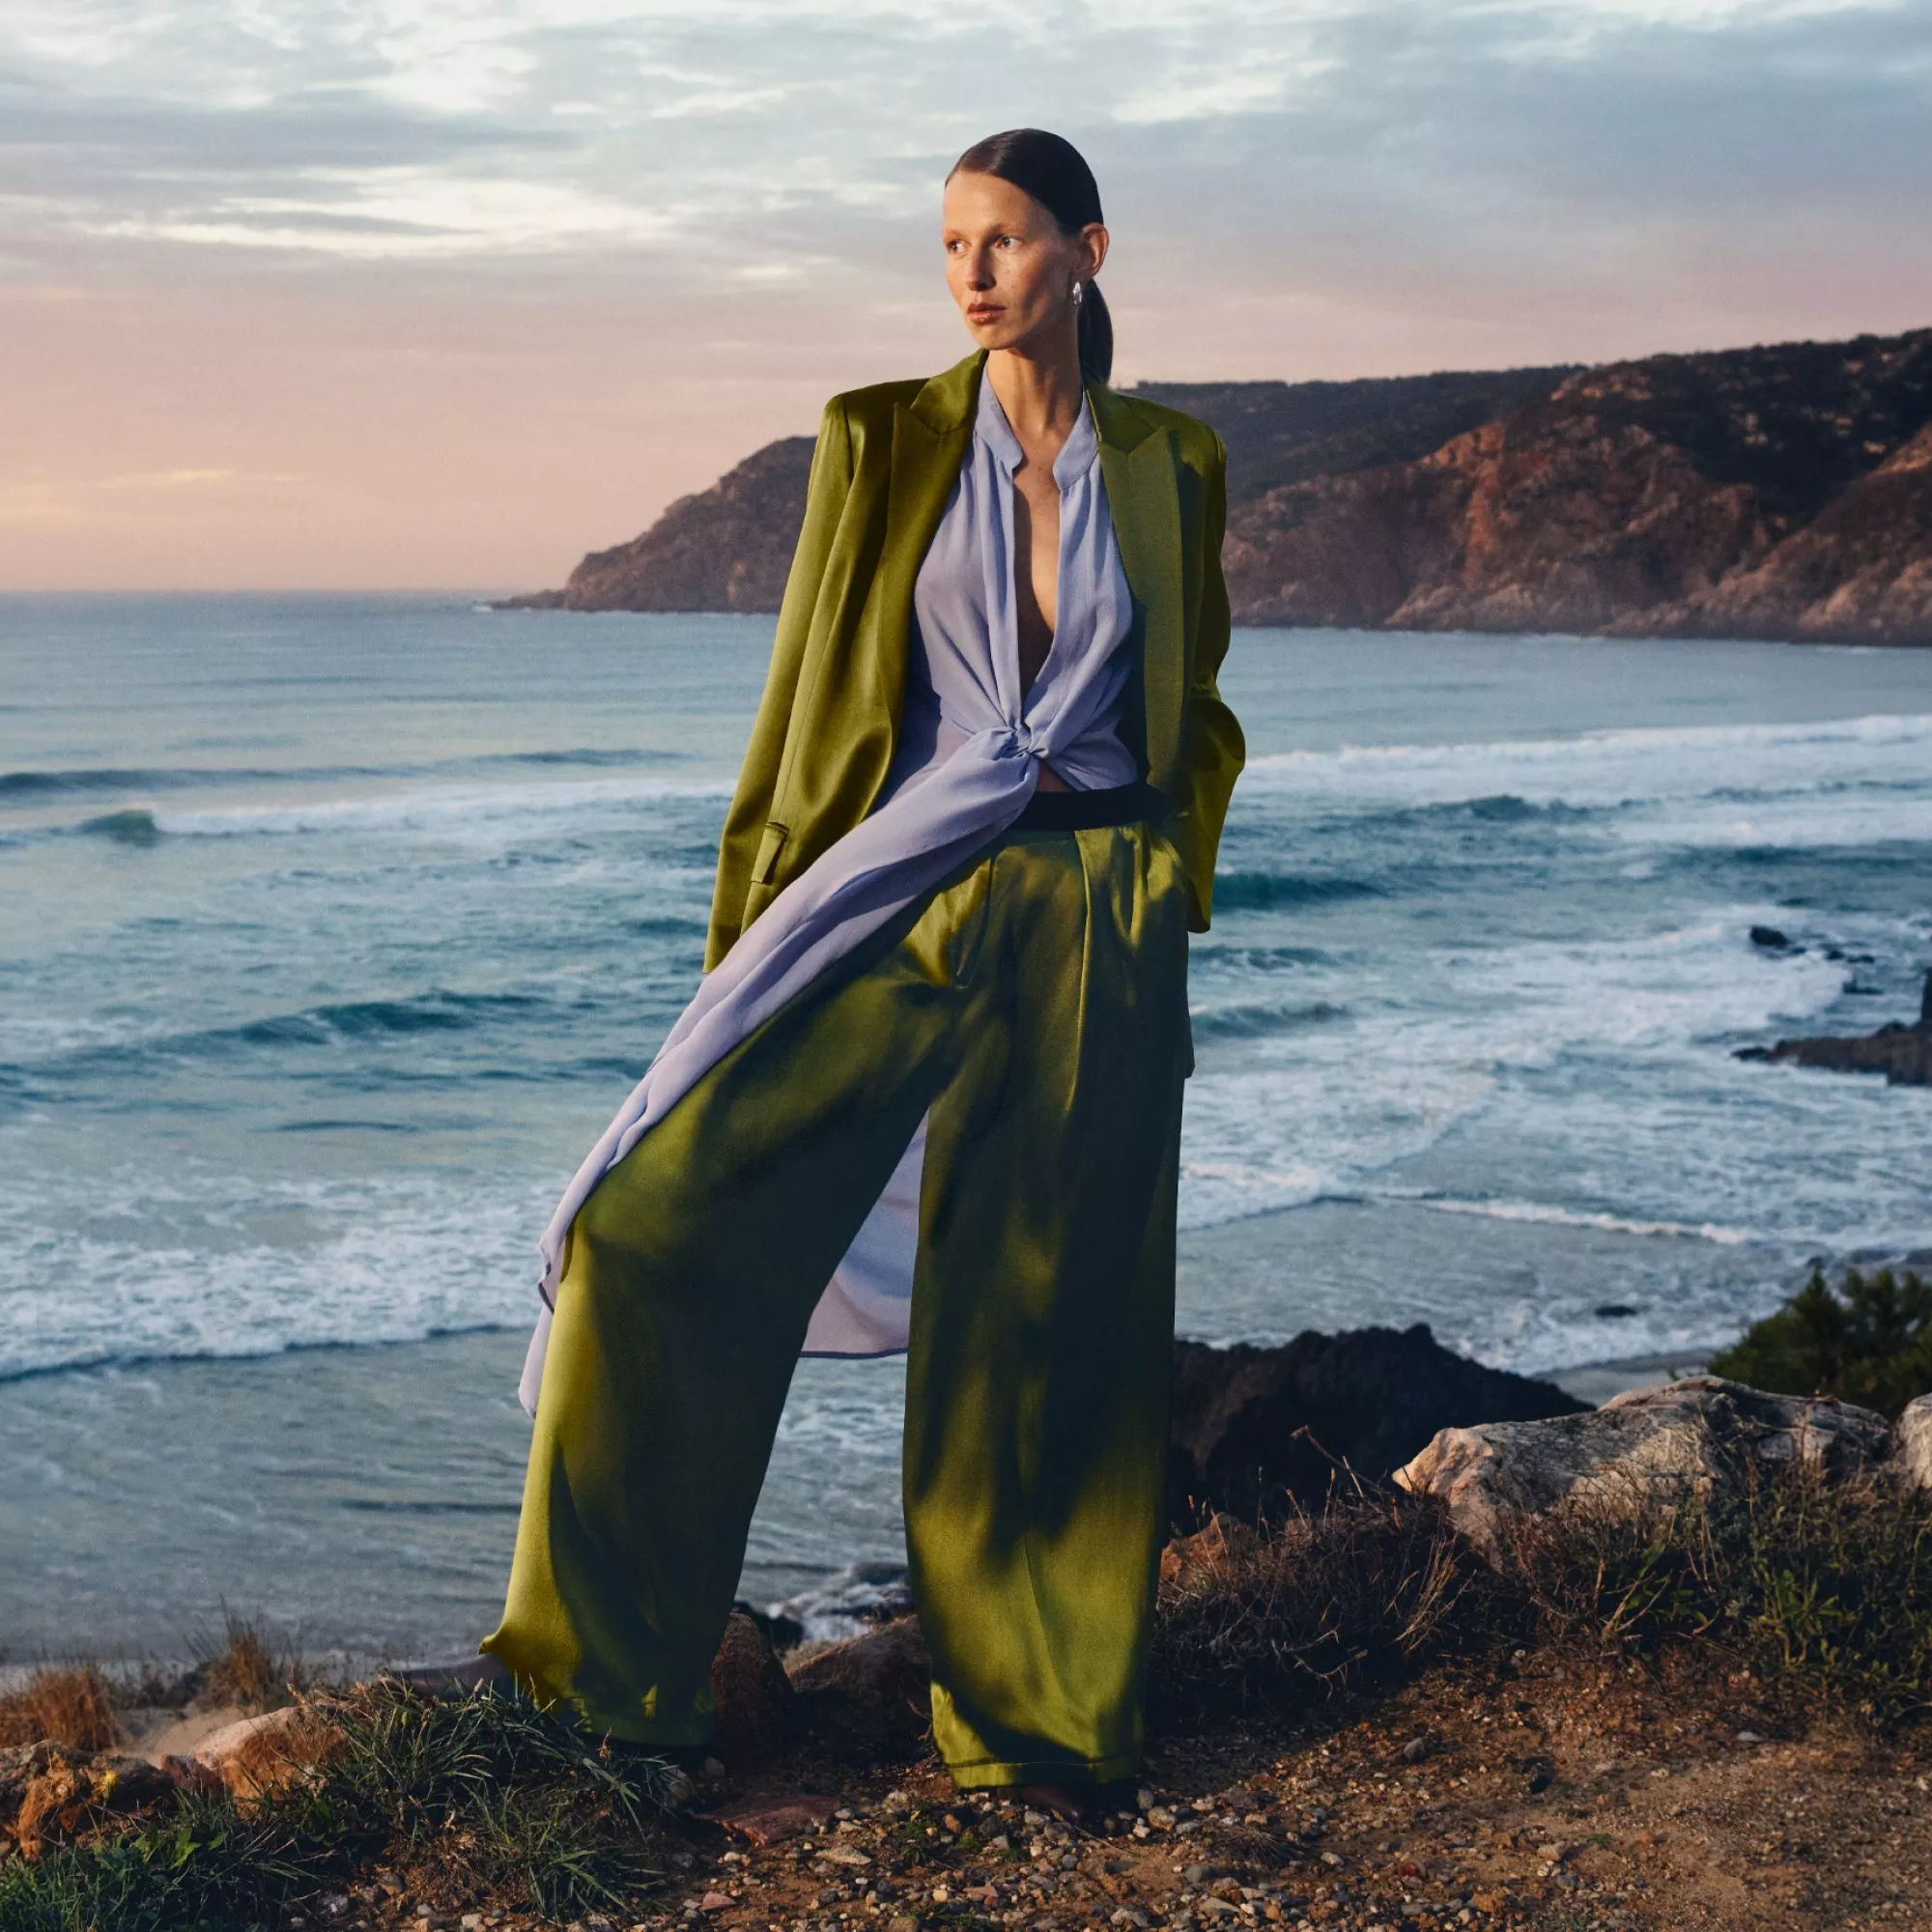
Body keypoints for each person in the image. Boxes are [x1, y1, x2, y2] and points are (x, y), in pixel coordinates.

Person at [474, 128, 1244, 1805]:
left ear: (1088, 255)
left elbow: (1199, 712)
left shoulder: (1173, 462)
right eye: (951, 244)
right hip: (900, 894)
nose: (971, 274)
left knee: (1051, 1324)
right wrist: (738, 954)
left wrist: (1167, 875)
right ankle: (608, 1692)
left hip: (1093, 919)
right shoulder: (875, 441)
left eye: (1006, 241)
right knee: (658, 1222)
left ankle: (1035, 1730)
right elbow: (802, 718)